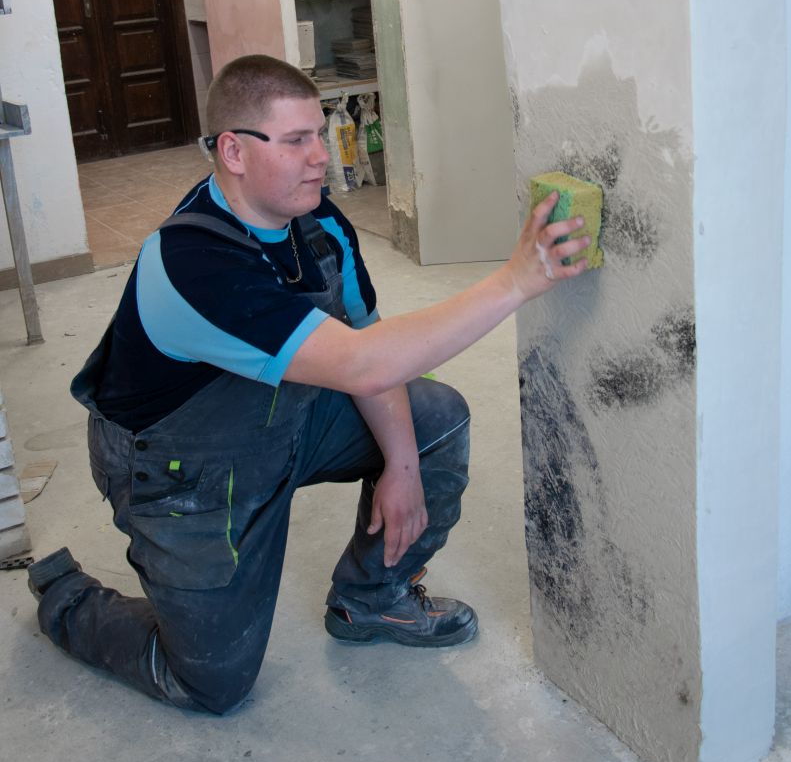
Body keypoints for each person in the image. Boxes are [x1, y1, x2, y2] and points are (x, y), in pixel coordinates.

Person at [28, 55, 590, 715]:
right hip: (183, 472)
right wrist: (516, 280)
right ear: (233, 151)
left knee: (435, 418)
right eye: (296, 140)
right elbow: (362, 365)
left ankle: (370, 600)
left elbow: (372, 343)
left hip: (281, 417)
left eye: (319, 134)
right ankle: (67, 597)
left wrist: (404, 466)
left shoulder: (320, 225)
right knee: (212, 684)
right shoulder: (192, 262)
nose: (321, 156)